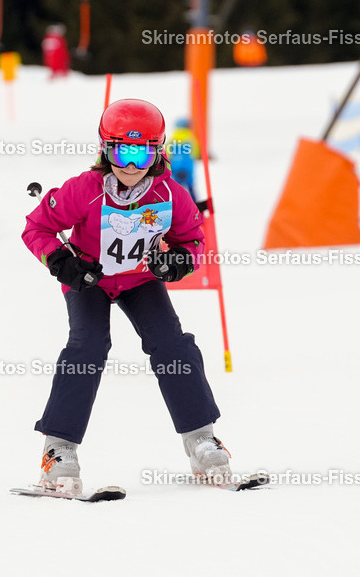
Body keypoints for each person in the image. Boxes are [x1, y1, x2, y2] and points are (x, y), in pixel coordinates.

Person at [21, 99, 229, 495]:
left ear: (157, 152)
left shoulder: (171, 194)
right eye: (121, 152)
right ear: (104, 149)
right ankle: (59, 449)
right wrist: (61, 261)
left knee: (172, 343)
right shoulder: (85, 189)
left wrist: (180, 262)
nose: (131, 166)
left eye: (142, 153)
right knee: (87, 347)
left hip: (138, 279)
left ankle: (202, 439)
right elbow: (37, 228)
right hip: (90, 278)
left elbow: (193, 239)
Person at [167, 118, 200, 202]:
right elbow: (195, 153)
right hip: (187, 167)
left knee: (176, 188)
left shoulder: (172, 139)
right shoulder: (190, 139)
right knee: (190, 186)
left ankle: (176, 203)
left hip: (174, 167)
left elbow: (167, 154)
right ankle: (195, 203)